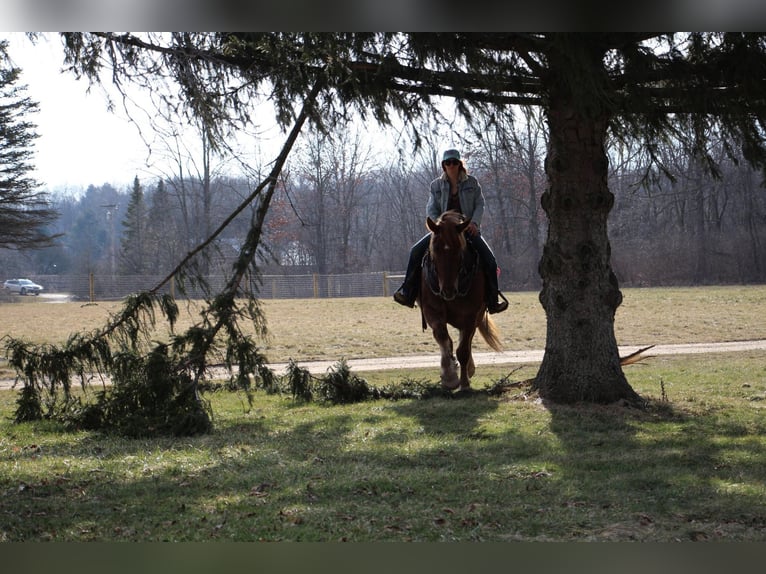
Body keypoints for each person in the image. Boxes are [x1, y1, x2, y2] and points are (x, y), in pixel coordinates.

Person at [393, 148, 509, 314]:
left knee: (490, 259)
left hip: (466, 229)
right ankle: (408, 294)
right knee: (415, 251)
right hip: (443, 231)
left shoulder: (472, 183)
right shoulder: (436, 186)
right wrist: (439, 225)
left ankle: (493, 300)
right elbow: (431, 208)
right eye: (448, 162)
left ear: (460, 164)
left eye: (455, 162)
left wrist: (474, 223)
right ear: (444, 165)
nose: (451, 165)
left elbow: (479, 204)